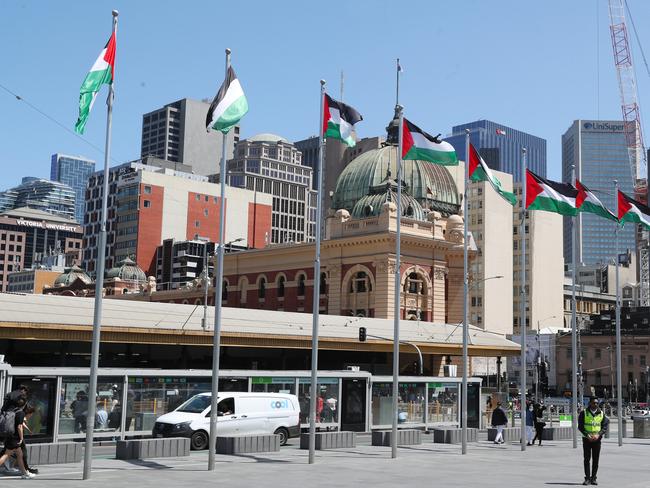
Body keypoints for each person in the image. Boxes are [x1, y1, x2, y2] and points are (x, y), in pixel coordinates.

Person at [0, 399, 35, 479]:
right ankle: (25, 473)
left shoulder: (13, 411)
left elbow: (20, 423)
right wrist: (21, 438)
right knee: (6, 454)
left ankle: (25, 473)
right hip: (15, 438)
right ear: (23, 405)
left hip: (10, 435)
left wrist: (28, 430)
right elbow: (19, 426)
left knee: (20, 455)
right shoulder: (21, 413)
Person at [578, 397, 609, 486]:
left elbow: (604, 427)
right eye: (593, 403)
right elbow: (580, 426)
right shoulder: (583, 413)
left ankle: (594, 478)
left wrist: (598, 434)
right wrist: (587, 435)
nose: (595, 404)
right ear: (589, 403)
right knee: (586, 459)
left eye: (596, 403)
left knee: (596, 459)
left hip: (597, 439)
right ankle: (587, 478)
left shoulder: (601, 414)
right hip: (587, 439)